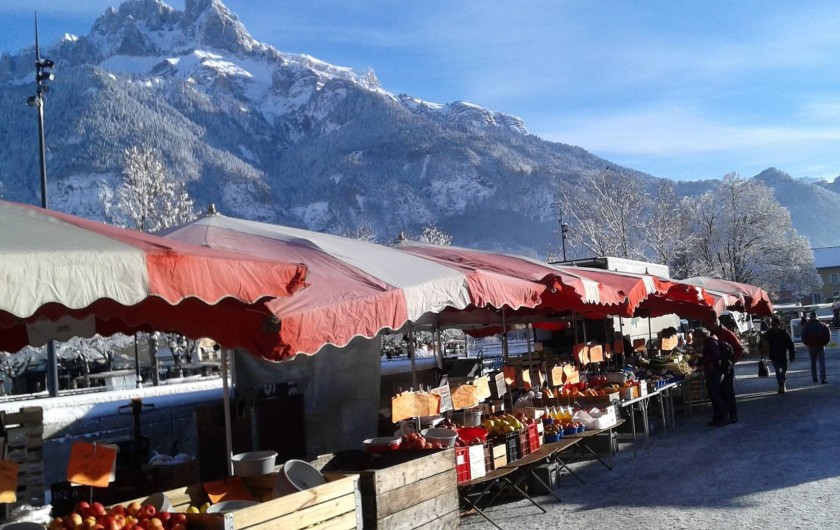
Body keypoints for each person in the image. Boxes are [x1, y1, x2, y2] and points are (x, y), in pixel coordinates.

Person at [710, 319, 744, 423]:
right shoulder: (711, 334)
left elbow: (739, 349)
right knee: (718, 393)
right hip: (716, 369)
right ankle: (722, 416)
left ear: (715, 322)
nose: (706, 325)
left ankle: (733, 415)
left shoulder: (727, 333)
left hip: (726, 368)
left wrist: (732, 362)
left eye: (708, 323)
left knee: (728, 391)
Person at [693, 327, 728, 426]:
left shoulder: (710, 342)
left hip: (714, 371)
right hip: (711, 371)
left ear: (701, 335)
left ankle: (724, 415)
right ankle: (717, 416)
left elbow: (715, 355)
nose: (696, 339)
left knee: (715, 394)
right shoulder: (708, 341)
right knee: (712, 395)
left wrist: (703, 360)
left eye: (697, 337)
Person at [761, 316, 796, 393]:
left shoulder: (784, 334)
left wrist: (792, 355)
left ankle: (782, 383)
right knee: (778, 371)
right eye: (772, 325)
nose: (773, 326)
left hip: (783, 356)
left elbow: (790, 345)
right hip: (774, 357)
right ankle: (781, 386)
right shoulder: (769, 333)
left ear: (779, 325)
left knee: (783, 371)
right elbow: (763, 342)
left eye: (774, 324)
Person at [800, 311, 830, 384]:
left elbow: (803, 336)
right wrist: (825, 343)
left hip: (811, 346)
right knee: (822, 363)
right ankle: (823, 379)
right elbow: (828, 334)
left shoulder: (806, 325)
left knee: (813, 363)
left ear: (810, 318)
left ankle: (814, 378)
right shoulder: (822, 325)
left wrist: (807, 343)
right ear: (816, 317)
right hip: (820, 346)